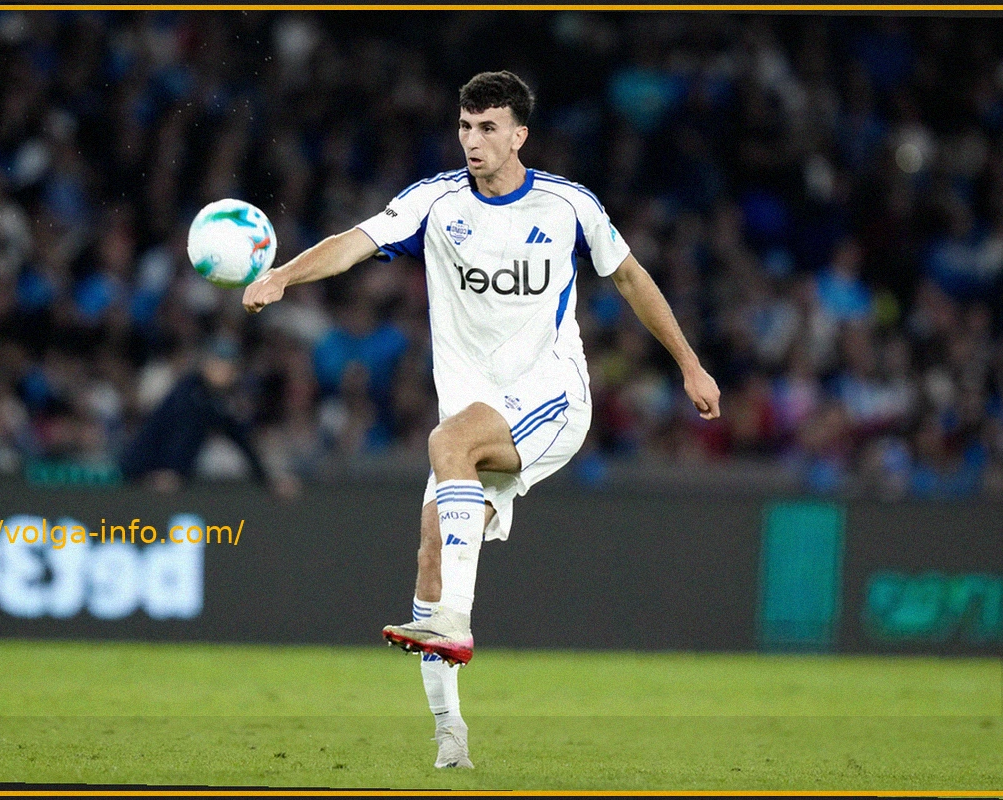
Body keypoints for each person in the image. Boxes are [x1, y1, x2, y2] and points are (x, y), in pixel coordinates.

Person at [243, 71, 719, 769]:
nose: (473, 139)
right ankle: (450, 739)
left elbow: (629, 277)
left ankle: (454, 623)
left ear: (519, 135)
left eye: (488, 127)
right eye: (465, 126)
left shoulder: (568, 206)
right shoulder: (435, 203)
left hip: (554, 398)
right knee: (431, 547)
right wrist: (284, 274)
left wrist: (689, 364)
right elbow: (355, 240)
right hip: (480, 415)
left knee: (448, 443)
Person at [119, 337, 298, 499]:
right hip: (141, 473)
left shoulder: (217, 400)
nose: (223, 371)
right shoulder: (188, 392)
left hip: (167, 480)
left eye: (228, 366)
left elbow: (241, 439)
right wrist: (170, 470)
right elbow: (181, 434)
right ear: (205, 364)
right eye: (217, 364)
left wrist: (269, 480)